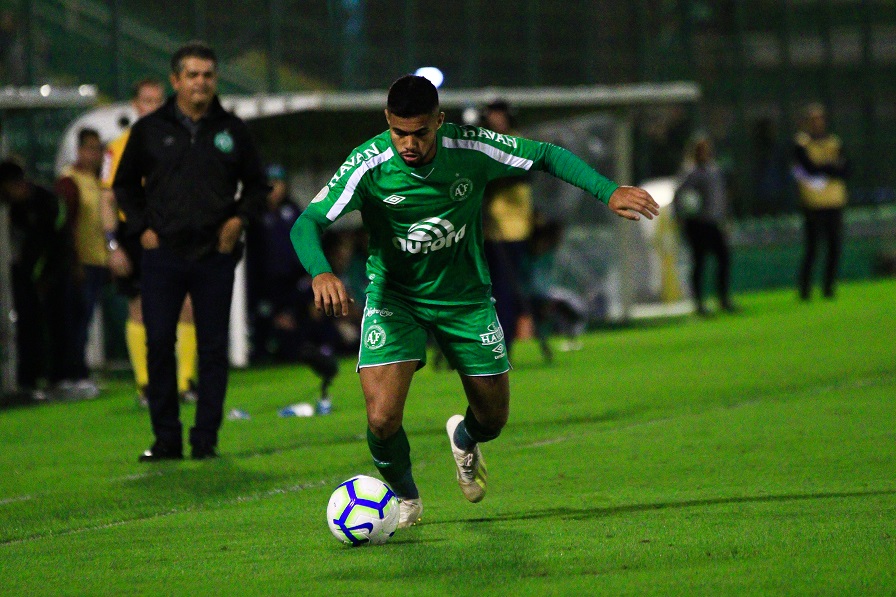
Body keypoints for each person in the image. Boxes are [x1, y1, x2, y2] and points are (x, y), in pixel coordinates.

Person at [290, 74, 659, 528]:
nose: (408, 143)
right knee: (382, 417)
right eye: (399, 131)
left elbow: (545, 154)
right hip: (395, 299)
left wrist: (608, 190)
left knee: (493, 417)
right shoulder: (368, 164)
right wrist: (322, 272)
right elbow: (306, 222)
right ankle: (405, 498)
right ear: (387, 120)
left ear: (439, 122)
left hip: (466, 300)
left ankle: (465, 439)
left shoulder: (471, 149)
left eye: (420, 132)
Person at [114, 41, 268, 461]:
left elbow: (258, 187)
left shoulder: (233, 129)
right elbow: (124, 185)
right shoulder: (149, 130)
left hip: (215, 256)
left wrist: (237, 221)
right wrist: (141, 226)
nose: (201, 82)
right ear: (175, 80)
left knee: (213, 349)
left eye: (208, 75)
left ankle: (205, 440)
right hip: (163, 254)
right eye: (193, 74)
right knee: (159, 343)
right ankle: (166, 439)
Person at [100, 77, 199, 408]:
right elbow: (107, 198)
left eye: (158, 101)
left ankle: (185, 382)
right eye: (147, 101)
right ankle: (146, 386)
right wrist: (112, 244)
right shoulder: (118, 147)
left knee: (186, 303)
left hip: (172, 231)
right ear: (135, 105)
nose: (153, 107)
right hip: (133, 233)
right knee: (140, 308)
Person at [0, 159, 75, 398]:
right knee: (27, 326)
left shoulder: (46, 201)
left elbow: (58, 241)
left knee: (56, 322)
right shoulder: (10, 206)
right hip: (23, 275)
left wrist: (47, 275)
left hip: (50, 272)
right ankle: (28, 380)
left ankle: (57, 377)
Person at [54, 128, 107, 398]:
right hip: (80, 262)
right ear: (79, 150)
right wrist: (73, 262)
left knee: (84, 321)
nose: (95, 154)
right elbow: (66, 225)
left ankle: (80, 372)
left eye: (98, 149)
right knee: (75, 320)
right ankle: (71, 375)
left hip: (97, 260)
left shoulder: (95, 180)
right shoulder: (69, 181)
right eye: (90, 148)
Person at [480, 99, 535, 356]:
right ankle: (487, 344)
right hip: (488, 230)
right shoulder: (485, 142)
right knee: (488, 288)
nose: (495, 119)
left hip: (512, 230)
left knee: (505, 288)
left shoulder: (517, 142)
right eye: (492, 113)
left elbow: (521, 172)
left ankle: (504, 346)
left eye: (500, 114)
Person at [673, 135, 736, 316]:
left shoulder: (714, 170)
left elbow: (722, 197)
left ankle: (723, 298)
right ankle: (699, 302)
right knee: (699, 262)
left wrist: (726, 216)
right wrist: (681, 215)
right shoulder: (690, 172)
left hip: (714, 222)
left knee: (723, 258)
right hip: (697, 223)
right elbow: (680, 196)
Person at [792, 103, 849, 300]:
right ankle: (805, 289)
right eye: (813, 119)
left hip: (834, 200)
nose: (818, 123)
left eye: (820, 119)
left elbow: (845, 169)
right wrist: (829, 168)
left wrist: (825, 168)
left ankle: (828, 287)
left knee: (834, 246)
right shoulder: (802, 143)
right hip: (813, 202)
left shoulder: (834, 141)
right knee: (813, 248)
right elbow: (808, 169)